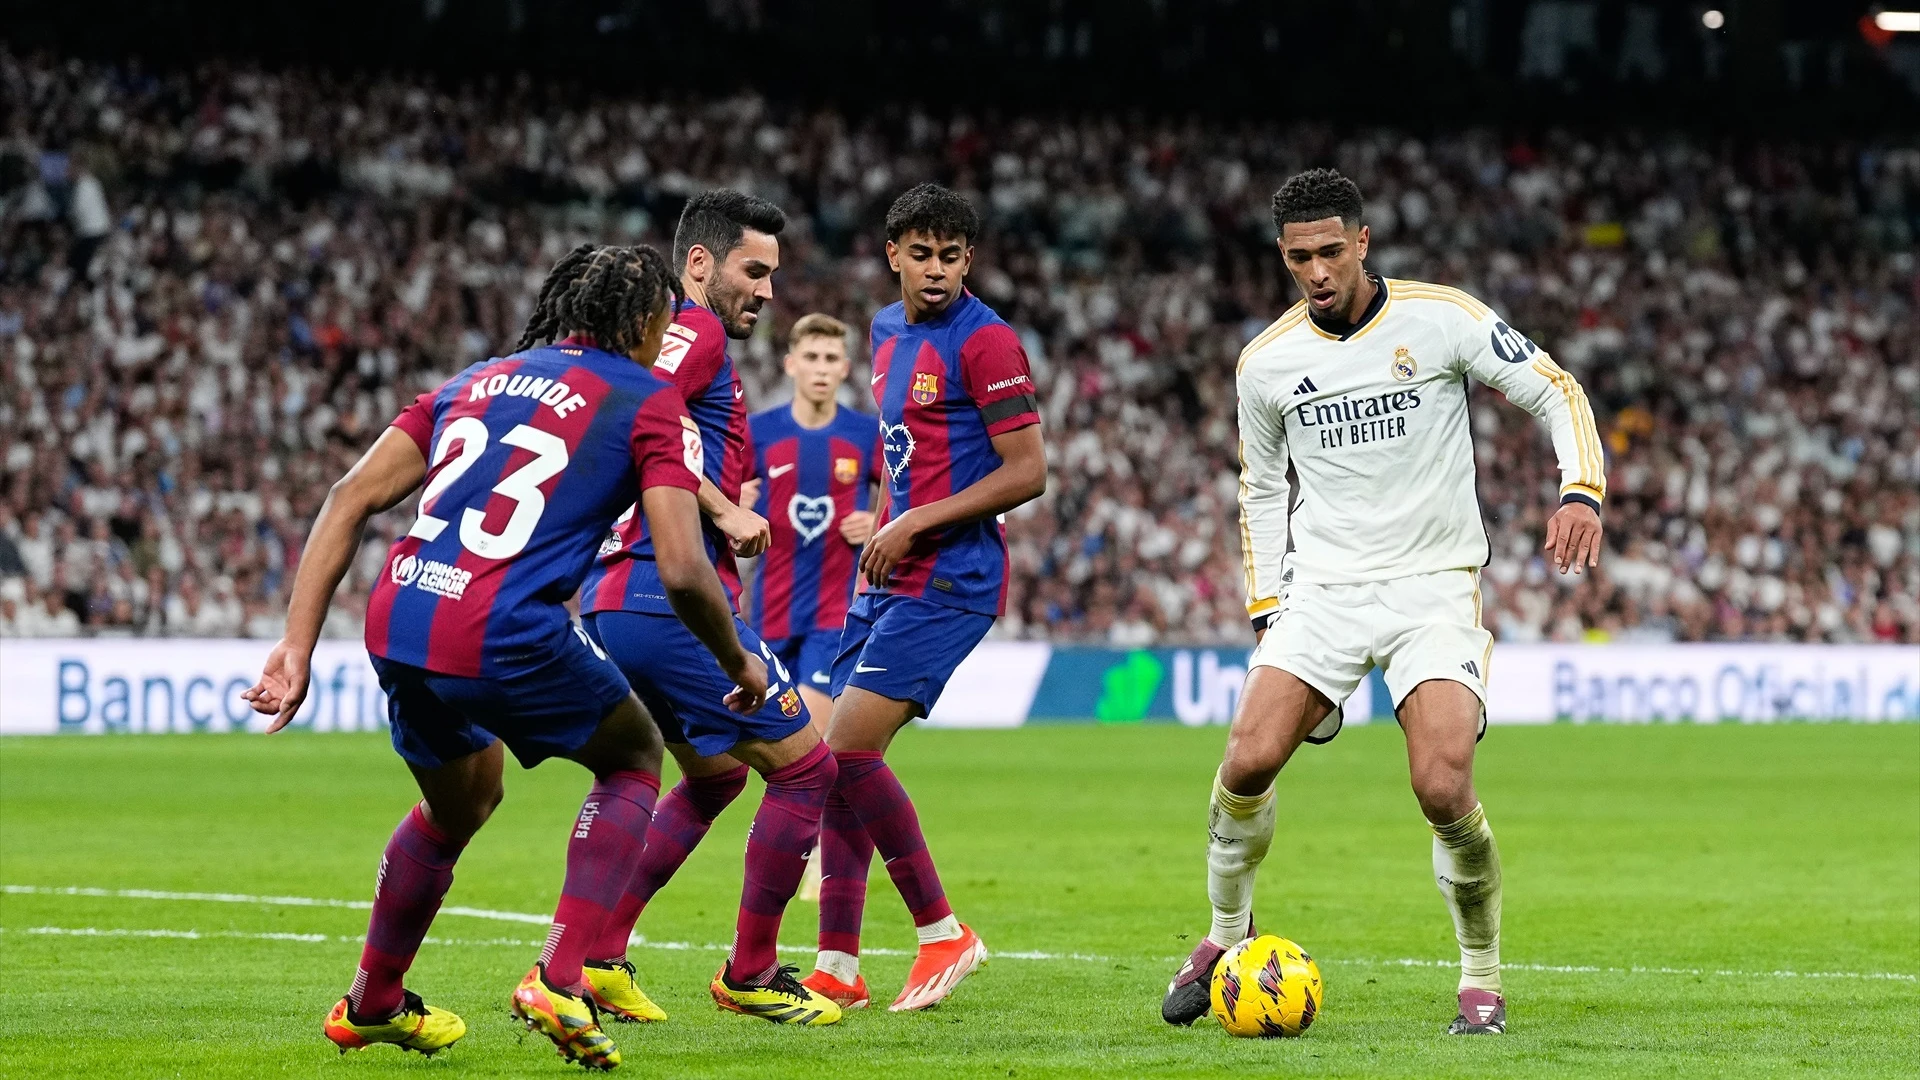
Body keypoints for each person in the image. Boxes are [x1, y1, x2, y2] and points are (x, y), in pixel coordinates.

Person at [244, 243, 769, 1070]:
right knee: (635, 756)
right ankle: (560, 978)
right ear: (639, 323)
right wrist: (739, 662)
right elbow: (681, 567)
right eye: (663, 324)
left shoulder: (478, 378)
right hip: (497, 624)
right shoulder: (648, 399)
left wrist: (296, 647)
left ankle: (374, 1002)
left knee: (462, 802)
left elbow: (350, 497)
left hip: (402, 613)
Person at [1159, 168, 1607, 1036]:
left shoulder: (1442, 317)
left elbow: (1555, 388)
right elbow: (1259, 489)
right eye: (1300, 258)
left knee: (1442, 785)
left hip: (1432, 587)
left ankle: (1481, 981)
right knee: (1245, 762)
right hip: (1322, 593)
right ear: (1283, 258)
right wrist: (1267, 613)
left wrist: (1579, 491)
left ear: (1362, 243)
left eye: (1332, 251)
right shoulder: (1267, 362)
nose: (1318, 271)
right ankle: (1220, 938)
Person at [578, 192, 845, 1027]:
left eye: (774, 274)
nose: (767, 290)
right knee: (808, 770)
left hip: (628, 597)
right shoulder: (687, 330)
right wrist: (725, 510)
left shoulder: (684, 342)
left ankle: (600, 956)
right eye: (753, 271)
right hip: (666, 596)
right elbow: (629, 418)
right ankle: (751, 972)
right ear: (700, 263)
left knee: (717, 776)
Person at [801, 184, 1047, 1012]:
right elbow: (895, 445)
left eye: (951, 256)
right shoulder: (881, 331)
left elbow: (1028, 471)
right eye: (920, 253)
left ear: (967, 260)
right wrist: (879, 518)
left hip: (953, 576)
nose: (935, 270)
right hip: (888, 573)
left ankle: (944, 932)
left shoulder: (987, 341)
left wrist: (911, 525)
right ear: (892, 253)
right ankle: (837, 963)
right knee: (835, 767)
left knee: (846, 750)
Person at [745, 312, 882, 901]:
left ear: (845, 368)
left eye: (833, 359)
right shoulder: (761, 432)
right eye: (813, 358)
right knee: (779, 749)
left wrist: (876, 521)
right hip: (769, 615)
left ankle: (816, 859)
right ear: (791, 364)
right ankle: (793, 846)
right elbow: (724, 503)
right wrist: (737, 503)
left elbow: (904, 495)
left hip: (835, 615)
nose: (822, 369)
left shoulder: (864, 434)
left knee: (818, 743)